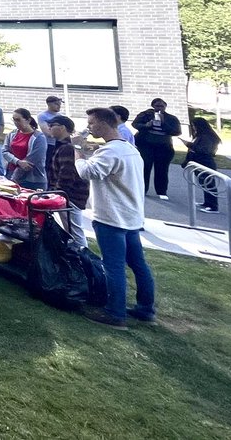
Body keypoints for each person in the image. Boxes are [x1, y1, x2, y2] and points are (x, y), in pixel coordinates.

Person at [75, 107, 156, 329]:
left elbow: (86, 172)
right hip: (131, 216)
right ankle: (146, 309)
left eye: (91, 123)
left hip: (111, 217)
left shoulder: (110, 152)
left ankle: (115, 312)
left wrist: (77, 150)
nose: (89, 126)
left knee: (114, 266)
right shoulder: (129, 149)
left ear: (103, 124)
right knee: (138, 264)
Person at [44, 115, 89, 247]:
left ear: (63, 127)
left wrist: (58, 196)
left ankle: (84, 262)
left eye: (52, 126)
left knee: (74, 232)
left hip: (70, 197)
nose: (49, 128)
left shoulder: (68, 148)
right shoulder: (63, 146)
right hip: (64, 196)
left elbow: (67, 176)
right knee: (68, 231)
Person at [132, 98, 182, 199]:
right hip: (146, 145)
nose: (159, 108)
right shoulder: (145, 114)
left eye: (161, 106)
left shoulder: (171, 118)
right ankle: (143, 189)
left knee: (162, 169)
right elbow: (135, 124)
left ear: (165, 107)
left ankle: (162, 191)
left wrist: (164, 123)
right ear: (153, 106)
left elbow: (177, 131)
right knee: (145, 167)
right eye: (157, 106)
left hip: (163, 147)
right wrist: (146, 125)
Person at [1, 108, 48, 190]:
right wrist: (17, 161)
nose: (16, 123)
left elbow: (33, 160)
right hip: (11, 172)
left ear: (28, 120)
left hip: (32, 179)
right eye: (14, 120)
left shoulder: (39, 137)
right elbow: (4, 151)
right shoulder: (12, 134)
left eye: (18, 120)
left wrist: (14, 178)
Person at [184, 117, 223, 212]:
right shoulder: (200, 135)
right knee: (203, 183)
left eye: (194, 126)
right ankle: (207, 202)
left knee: (209, 183)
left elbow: (205, 150)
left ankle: (213, 206)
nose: (193, 128)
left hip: (205, 161)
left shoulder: (207, 137)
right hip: (199, 161)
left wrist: (190, 145)